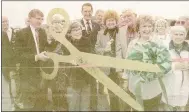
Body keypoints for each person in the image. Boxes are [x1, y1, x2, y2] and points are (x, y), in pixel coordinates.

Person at [126, 15, 171, 111]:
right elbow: (127, 63)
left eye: (150, 26)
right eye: (144, 26)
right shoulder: (133, 44)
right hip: (136, 85)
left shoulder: (159, 43)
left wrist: (155, 70)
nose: (147, 29)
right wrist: (126, 78)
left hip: (153, 87)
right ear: (138, 28)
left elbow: (166, 62)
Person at [14, 9, 53, 111]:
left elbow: (47, 48)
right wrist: (36, 57)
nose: (40, 21)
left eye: (41, 19)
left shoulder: (43, 32)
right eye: (37, 18)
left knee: (41, 104)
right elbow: (18, 55)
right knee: (29, 105)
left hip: (42, 75)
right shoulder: (21, 33)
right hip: (28, 76)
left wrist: (54, 40)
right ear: (30, 18)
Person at [95, 10, 128, 111]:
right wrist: (105, 49)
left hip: (120, 68)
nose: (111, 22)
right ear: (105, 22)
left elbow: (125, 49)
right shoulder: (100, 34)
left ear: (116, 21)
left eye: (113, 20)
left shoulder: (122, 32)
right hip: (108, 69)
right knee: (111, 93)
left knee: (123, 94)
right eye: (108, 20)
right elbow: (96, 49)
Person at [40, 14, 69, 111]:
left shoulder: (66, 37)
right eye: (54, 22)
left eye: (59, 22)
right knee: (53, 94)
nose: (57, 25)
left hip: (64, 71)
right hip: (51, 71)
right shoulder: (47, 39)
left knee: (63, 95)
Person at [66, 21, 94, 111]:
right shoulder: (67, 43)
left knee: (85, 103)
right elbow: (65, 58)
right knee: (73, 103)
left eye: (79, 29)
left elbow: (90, 55)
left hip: (86, 75)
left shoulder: (87, 40)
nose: (78, 31)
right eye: (74, 30)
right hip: (73, 77)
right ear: (70, 32)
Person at [161, 26, 189, 111]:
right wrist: (175, 66)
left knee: (182, 108)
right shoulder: (165, 49)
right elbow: (160, 67)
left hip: (184, 88)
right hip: (170, 87)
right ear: (171, 35)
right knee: (168, 108)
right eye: (176, 34)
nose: (178, 37)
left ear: (185, 36)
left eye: (181, 34)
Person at [79, 3, 100, 110]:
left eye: (89, 11)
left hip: (94, 59)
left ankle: (94, 107)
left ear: (92, 12)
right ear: (81, 12)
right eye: (85, 11)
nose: (87, 13)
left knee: (93, 83)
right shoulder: (77, 24)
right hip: (82, 60)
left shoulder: (97, 25)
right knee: (83, 85)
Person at [2, 16, 18, 111]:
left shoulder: (14, 32)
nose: (5, 24)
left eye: (6, 21)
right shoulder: (1, 34)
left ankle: (15, 103)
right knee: (7, 84)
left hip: (14, 62)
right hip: (4, 63)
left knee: (15, 83)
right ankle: (10, 104)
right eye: (3, 22)